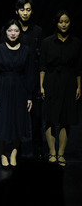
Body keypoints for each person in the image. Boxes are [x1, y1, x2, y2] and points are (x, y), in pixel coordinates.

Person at [0, 0, 43, 157]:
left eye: (28, 9)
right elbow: (1, 53)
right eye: (22, 9)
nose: (25, 13)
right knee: (13, 114)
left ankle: (37, 147)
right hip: (14, 78)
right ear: (17, 11)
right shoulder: (10, 29)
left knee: (36, 116)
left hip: (31, 77)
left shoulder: (37, 31)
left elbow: (41, 57)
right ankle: (13, 148)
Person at [0, 19, 34, 169]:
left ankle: (14, 153)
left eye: (16, 31)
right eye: (10, 30)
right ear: (5, 32)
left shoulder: (26, 50)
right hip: (2, 88)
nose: (13, 33)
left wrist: (29, 96)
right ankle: (2, 154)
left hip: (20, 89)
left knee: (18, 122)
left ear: (20, 33)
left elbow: (29, 74)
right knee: (2, 121)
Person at [40, 10, 81, 167]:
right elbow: (42, 65)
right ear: (55, 23)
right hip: (51, 82)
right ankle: (52, 152)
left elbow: (78, 67)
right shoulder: (47, 42)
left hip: (69, 83)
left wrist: (79, 86)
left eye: (67, 21)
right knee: (50, 118)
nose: (64, 24)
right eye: (61, 22)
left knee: (66, 120)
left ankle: (61, 153)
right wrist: (41, 86)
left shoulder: (76, 43)